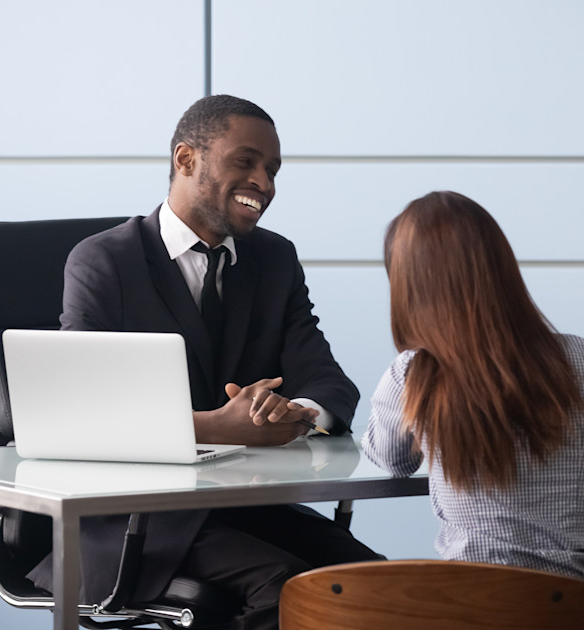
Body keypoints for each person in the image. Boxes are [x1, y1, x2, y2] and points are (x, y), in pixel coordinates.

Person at [27, 95, 379, 630]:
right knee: (284, 591)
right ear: (186, 159)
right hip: (136, 522)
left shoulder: (273, 258)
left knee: (381, 582)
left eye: (273, 169)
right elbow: (80, 419)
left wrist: (294, 412)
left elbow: (328, 382)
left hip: (246, 506)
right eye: (246, 162)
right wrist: (219, 428)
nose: (265, 182)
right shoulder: (105, 261)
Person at [362, 190, 584, 582]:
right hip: (578, 612)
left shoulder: (413, 374)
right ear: (502, 266)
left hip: (468, 611)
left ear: (408, 287)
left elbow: (393, 460)